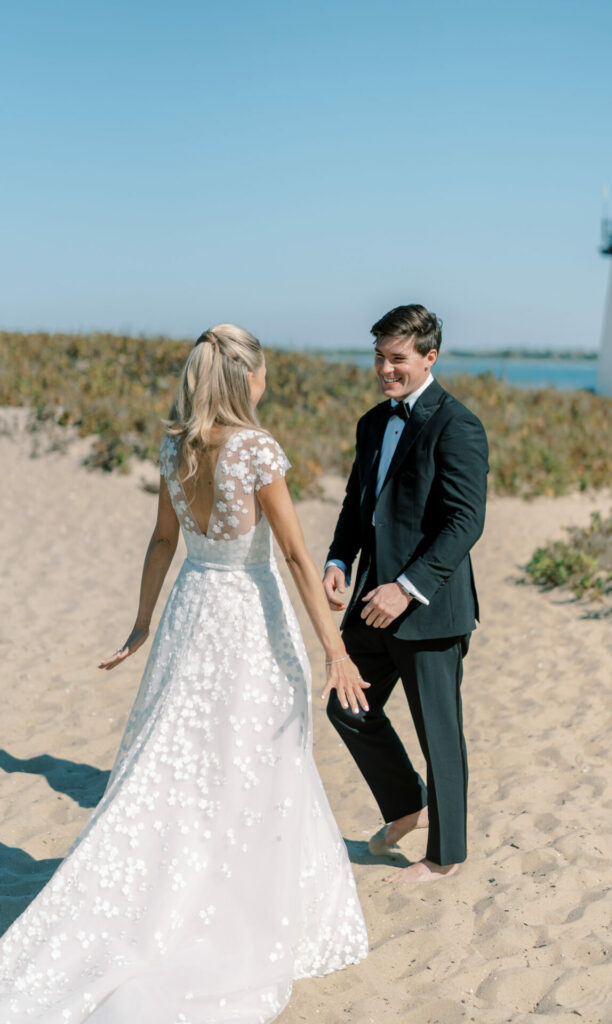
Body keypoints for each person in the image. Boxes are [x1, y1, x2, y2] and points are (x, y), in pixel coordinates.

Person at [0, 325, 369, 1023]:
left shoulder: (175, 447)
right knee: (254, 759)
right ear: (245, 378)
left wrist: (143, 624)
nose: (266, 382)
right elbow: (294, 557)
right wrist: (335, 649)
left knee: (183, 756)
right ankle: (238, 904)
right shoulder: (256, 449)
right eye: (261, 372)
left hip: (191, 610)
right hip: (249, 615)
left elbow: (163, 541)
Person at [323, 304, 489, 883]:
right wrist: (339, 560)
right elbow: (356, 506)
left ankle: (446, 858)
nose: (385, 368)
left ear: (429, 357)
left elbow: (465, 522)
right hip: (371, 601)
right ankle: (405, 806)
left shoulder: (457, 423)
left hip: (430, 610)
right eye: (379, 356)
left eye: (397, 358)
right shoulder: (373, 422)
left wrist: (408, 587)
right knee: (347, 707)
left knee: (438, 733)